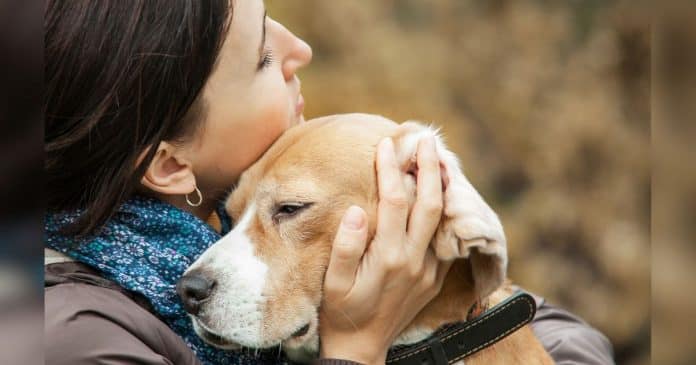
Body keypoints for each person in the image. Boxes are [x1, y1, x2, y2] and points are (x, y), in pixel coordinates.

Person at [43, 1, 614, 364]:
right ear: (169, 165)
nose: (302, 51)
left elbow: (567, 339)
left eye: (286, 209)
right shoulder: (71, 336)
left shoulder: (229, 224)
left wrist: (463, 298)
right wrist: (356, 344)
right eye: (263, 58)